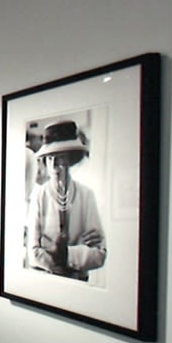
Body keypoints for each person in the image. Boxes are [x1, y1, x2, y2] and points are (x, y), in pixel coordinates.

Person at [26, 119, 106, 281]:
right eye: (49, 158)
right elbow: (33, 252)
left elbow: (98, 254)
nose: (54, 164)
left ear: (69, 160)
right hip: (46, 280)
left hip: (79, 283)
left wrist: (66, 254)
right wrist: (61, 264)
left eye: (60, 157)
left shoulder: (86, 195)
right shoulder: (39, 195)